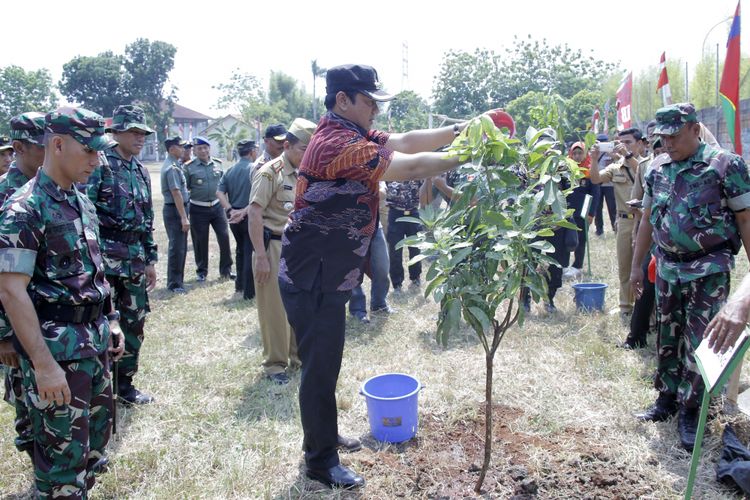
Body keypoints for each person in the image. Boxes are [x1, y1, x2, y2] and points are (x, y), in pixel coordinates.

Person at [278, 64, 485, 490]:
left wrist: (465, 129)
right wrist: (475, 150)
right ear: (343, 100)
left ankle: (323, 434)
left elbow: (407, 141)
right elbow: (408, 167)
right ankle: (321, 461)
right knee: (319, 367)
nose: (376, 110)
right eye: (370, 101)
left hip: (326, 271)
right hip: (314, 275)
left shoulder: (350, 131)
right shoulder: (337, 142)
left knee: (323, 365)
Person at [0, 106, 124, 498]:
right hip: (57, 357)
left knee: (92, 451)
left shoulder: (81, 200)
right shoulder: (25, 208)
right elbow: (10, 291)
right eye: (89, 150)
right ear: (57, 144)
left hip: (94, 346)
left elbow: (95, 272)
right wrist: (44, 365)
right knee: (60, 473)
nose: (97, 159)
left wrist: (113, 319)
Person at [630, 103, 750, 451]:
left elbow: (744, 220)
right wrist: (638, 266)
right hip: (667, 267)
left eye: (675, 136)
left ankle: (693, 410)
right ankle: (666, 399)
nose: (668, 144)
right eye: (662, 137)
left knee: (701, 341)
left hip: (709, 268)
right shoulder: (656, 169)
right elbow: (648, 221)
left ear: (696, 129)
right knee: (668, 335)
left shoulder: (727, 166)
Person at [86, 104, 158, 405]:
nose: (140, 138)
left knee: (134, 323)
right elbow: (86, 213)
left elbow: (147, 219)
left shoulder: (140, 170)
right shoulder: (99, 164)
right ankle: (98, 388)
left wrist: (151, 259)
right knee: (103, 326)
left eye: (143, 133)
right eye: (134, 132)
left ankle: (125, 385)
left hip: (135, 259)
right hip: (106, 260)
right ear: (116, 133)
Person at [248, 119, 315, 384]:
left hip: (298, 248)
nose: (306, 154)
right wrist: (261, 257)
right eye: (302, 149)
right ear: (286, 146)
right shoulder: (269, 172)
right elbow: (254, 213)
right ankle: (275, 365)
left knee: (300, 305)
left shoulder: (306, 172)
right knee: (275, 309)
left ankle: (298, 357)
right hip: (273, 246)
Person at [0, 111, 46, 461]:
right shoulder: (6, 194)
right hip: (14, 318)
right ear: (19, 147)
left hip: (48, 314)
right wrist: (2, 334)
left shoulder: (52, 188)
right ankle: (37, 459)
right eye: (42, 145)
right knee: (24, 393)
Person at [590, 127, 643, 323]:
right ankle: (625, 306)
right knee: (624, 266)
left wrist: (628, 156)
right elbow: (595, 178)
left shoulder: (647, 163)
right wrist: (594, 159)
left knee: (644, 265)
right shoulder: (615, 167)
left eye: (628, 142)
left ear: (639, 143)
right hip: (624, 221)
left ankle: (645, 305)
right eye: (621, 142)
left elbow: (644, 173)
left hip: (644, 222)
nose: (623, 145)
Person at [184, 136, 234, 282]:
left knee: (224, 238)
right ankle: (202, 272)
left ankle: (226, 270)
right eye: (199, 148)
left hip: (217, 207)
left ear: (209, 148)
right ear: (194, 150)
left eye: (205, 147)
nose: (203, 151)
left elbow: (224, 187)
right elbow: (185, 189)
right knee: (200, 242)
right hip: (198, 208)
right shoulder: (189, 167)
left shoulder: (218, 164)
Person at [218, 139, 257, 300]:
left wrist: (230, 209)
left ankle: (239, 285)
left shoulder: (230, 170)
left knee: (240, 251)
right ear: (252, 151)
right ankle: (249, 292)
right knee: (249, 252)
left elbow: (219, 193)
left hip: (233, 218)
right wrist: (242, 211)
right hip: (249, 216)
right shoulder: (255, 169)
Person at [564, 141, 600, 279]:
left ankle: (578, 265)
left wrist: (591, 213)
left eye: (580, 153)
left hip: (583, 210)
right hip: (567, 210)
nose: (577, 156)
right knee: (566, 238)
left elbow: (595, 194)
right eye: (575, 153)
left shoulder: (590, 170)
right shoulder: (565, 169)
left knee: (581, 239)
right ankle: (565, 265)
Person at [161, 135, 191, 293]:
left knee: (181, 247)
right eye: (180, 146)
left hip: (177, 209)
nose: (183, 149)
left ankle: (179, 281)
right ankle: (174, 284)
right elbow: (176, 193)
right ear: (172, 149)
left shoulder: (175, 164)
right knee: (177, 248)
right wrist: (184, 217)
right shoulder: (172, 168)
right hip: (175, 210)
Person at [385, 180, 423, 291]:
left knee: (415, 248)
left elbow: (424, 192)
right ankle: (397, 282)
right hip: (395, 214)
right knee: (395, 250)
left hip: (413, 213)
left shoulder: (417, 174)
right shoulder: (391, 172)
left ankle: (415, 276)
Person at [593, 134, 616, 236]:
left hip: (609, 184)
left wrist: (609, 151)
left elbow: (618, 160)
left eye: (604, 142)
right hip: (597, 183)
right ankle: (599, 230)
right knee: (597, 208)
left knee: (612, 207)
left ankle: (615, 228)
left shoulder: (611, 152)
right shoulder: (594, 153)